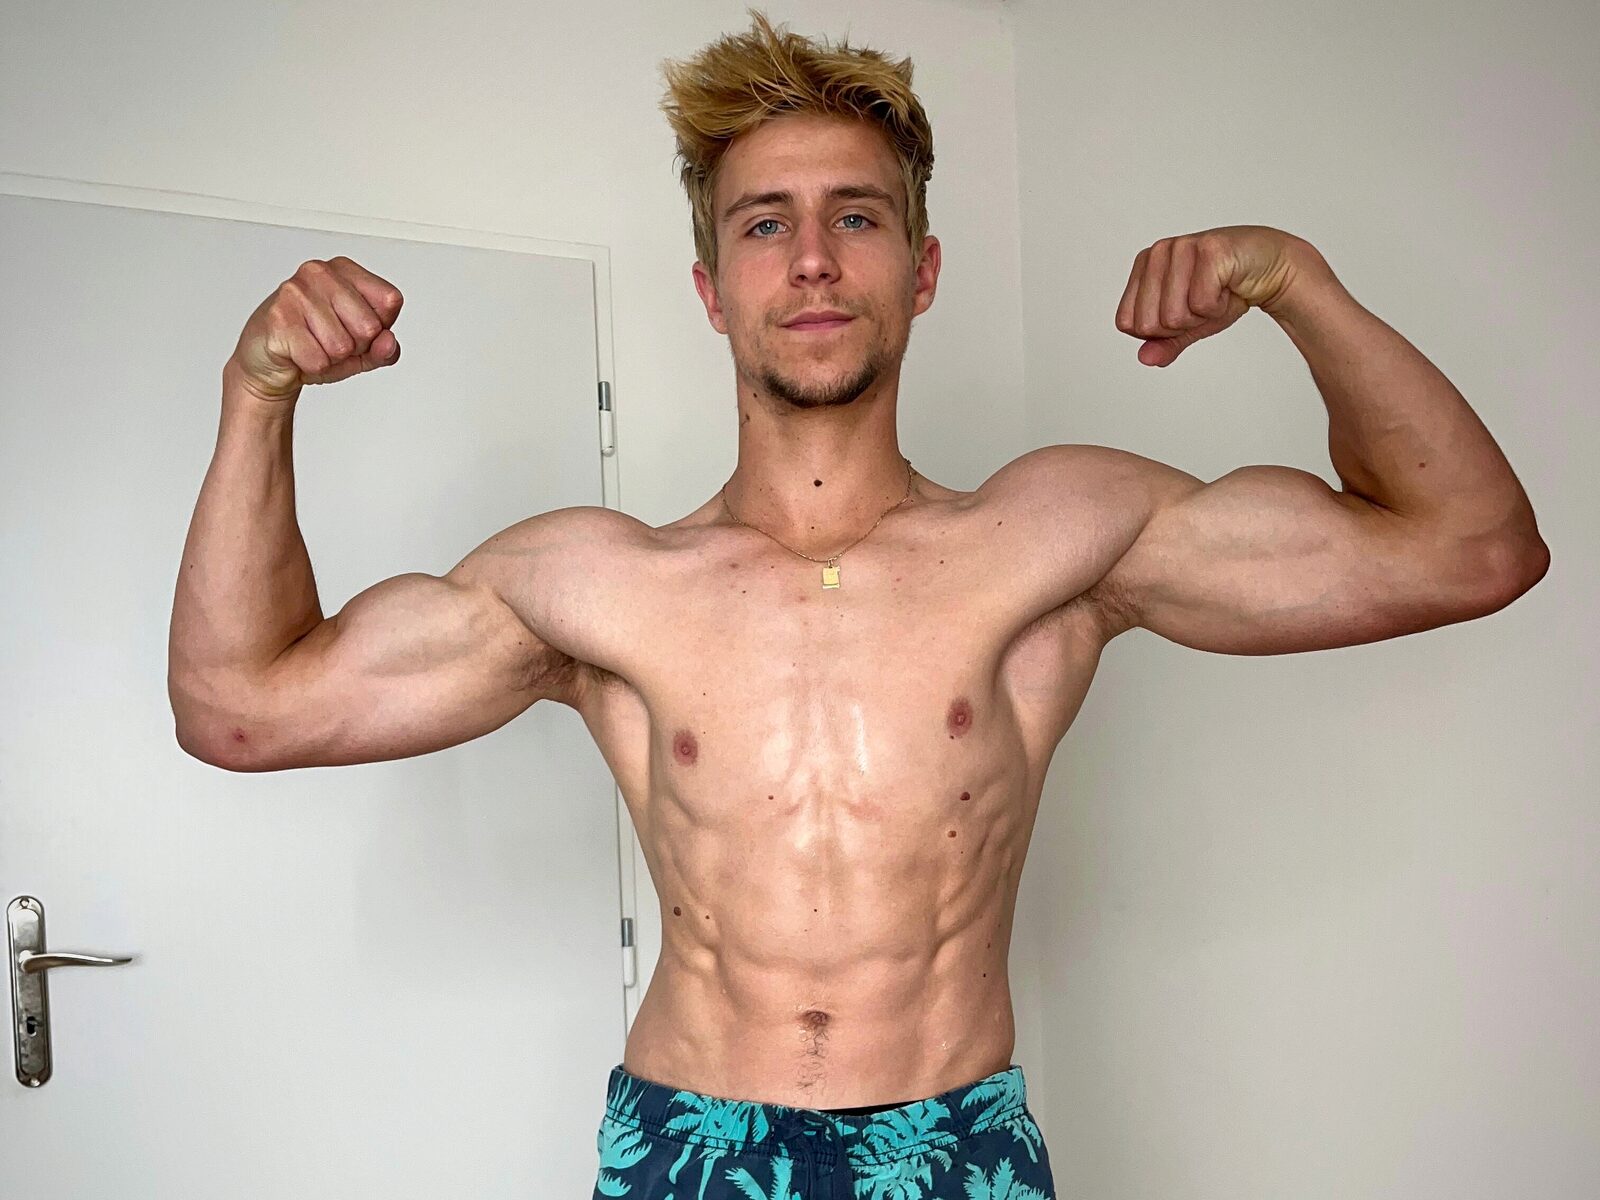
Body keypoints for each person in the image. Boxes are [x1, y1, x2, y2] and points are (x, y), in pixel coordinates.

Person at [166, 10, 1549, 1199]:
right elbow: (238, 709)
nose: (814, 259)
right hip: (690, 1147)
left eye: (857, 216)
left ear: (922, 269)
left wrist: (1297, 281)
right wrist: (257, 392)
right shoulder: (595, 584)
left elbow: (1472, 549)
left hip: (953, 1145)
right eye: (766, 224)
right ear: (713, 291)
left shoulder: (1055, 539)